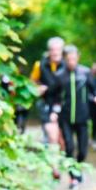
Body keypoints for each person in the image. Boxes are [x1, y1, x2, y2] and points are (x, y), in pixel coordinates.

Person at [56, 44, 96, 190]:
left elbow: (94, 90)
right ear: (64, 59)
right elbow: (54, 95)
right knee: (69, 147)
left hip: (82, 117)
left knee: (82, 150)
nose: (71, 62)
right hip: (65, 118)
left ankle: (78, 169)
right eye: (68, 59)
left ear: (78, 58)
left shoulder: (85, 72)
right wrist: (53, 109)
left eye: (74, 59)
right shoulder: (59, 75)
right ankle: (73, 177)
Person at [30, 37, 67, 179]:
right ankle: (54, 168)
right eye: (52, 50)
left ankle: (61, 162)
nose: (55, 52)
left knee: (61, 139)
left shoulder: (67, 64)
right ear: (49, 51)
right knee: (52, 135)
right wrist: (38, 88)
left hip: (64, 104)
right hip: (47, 104)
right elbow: (31, 83)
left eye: (58, 49)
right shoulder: (40, 65)